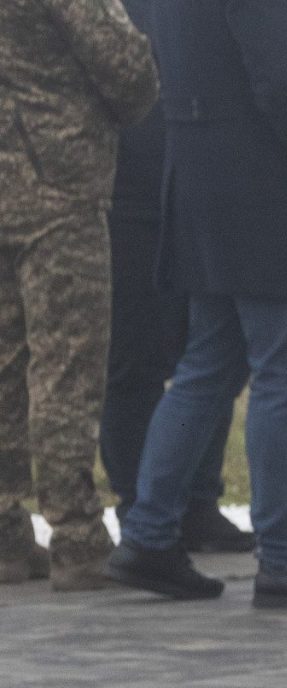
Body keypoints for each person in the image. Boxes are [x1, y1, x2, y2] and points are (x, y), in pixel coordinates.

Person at [105, 0, 287, 609]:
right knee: (286, 371)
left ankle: (150, 534)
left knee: (210, 365)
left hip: (205, 174)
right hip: (266, 183)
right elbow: (282, 75)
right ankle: (285, 555)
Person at [0, 0, 159, 594]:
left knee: (6, 363)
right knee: (68, 364)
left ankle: (6, 532)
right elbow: (128, 69)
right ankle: (78, 536)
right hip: (57, 186)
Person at [97, 0, 255, 567]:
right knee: (135, 357)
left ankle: (197, 501)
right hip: (127, 190)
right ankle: (141, 506)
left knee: (206, 351)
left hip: (193, 178)